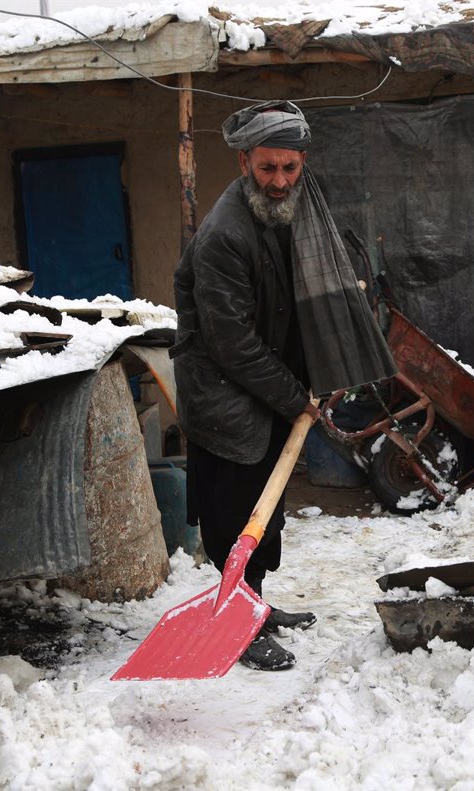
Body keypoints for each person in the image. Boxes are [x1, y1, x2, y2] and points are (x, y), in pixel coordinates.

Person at [171, 101, 323, 671]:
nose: (280, 181)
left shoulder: (286, 212)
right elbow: (230, 343)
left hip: (266, 383)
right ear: (244, 164)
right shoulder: (223, 237)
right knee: (238, 510)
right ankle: (239, 620)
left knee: (267, 504)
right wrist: (293, 396)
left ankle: (251, 603)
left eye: (289, 168)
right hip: (225, 392)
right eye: (268, 169)